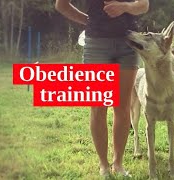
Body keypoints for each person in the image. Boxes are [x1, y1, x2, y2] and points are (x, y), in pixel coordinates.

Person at [55, 0, 149, 177]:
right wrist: (89, 20)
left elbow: (144, 5)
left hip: (127, 44)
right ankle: (104, 165)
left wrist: (125, 7)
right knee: (98, 107)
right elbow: (62, 4)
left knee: (122, 108)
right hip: (96, 46)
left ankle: (118, 164)